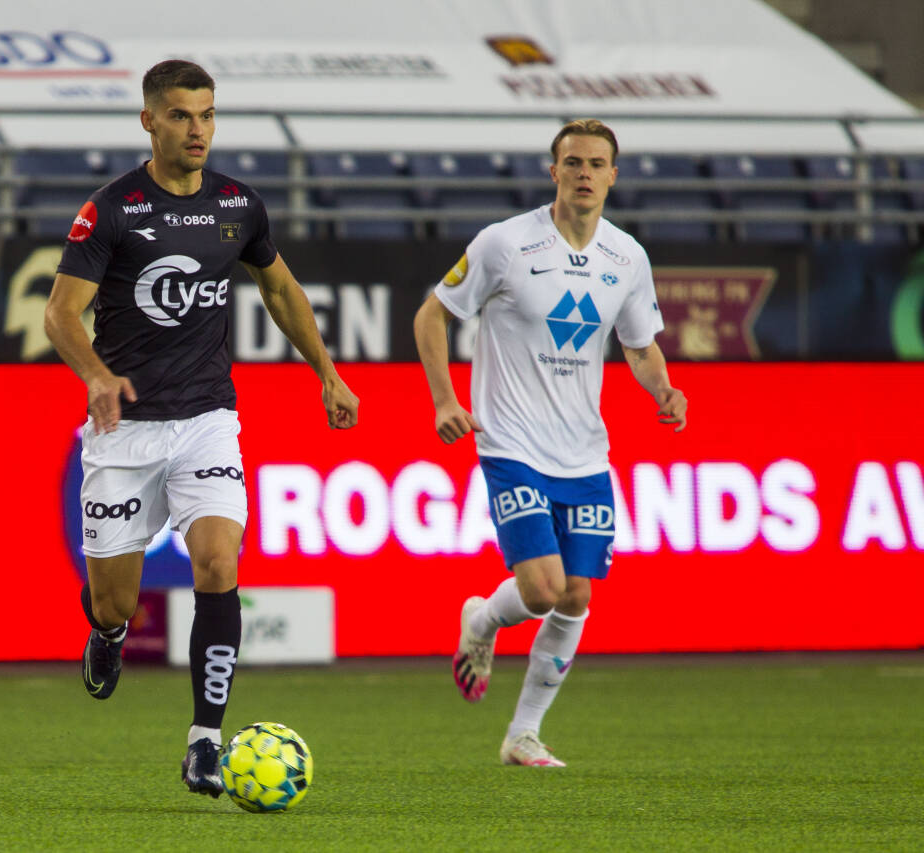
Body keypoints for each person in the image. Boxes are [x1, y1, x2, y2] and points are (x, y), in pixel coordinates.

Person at [44, 59, 358, 797]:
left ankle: (205, 741)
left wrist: (328, 372)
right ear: (148, 120)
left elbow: (278, 288)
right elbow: (60, 313)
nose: (198, 130)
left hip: (207, 420)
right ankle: (110, 633)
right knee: (115, 598)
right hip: (125, 432)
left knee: (219, 562)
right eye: (182, 115)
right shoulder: (111, 209)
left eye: (208, 114)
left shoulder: (238, 206)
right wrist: (96, 376)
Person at [413, 119, 688, 768]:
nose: (585, 173)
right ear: (553, 171)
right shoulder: (505, 244)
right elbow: (433, 314)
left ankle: (522, 734)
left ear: (614, 175)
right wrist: (445, 400)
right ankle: (481, 621)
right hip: (510, 442)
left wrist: (663, 389)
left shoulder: (627, 258)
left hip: (585, 452)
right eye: (573, 162)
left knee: (577, 595)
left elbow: (638, 344)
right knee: (540, 589)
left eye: (598, 163)